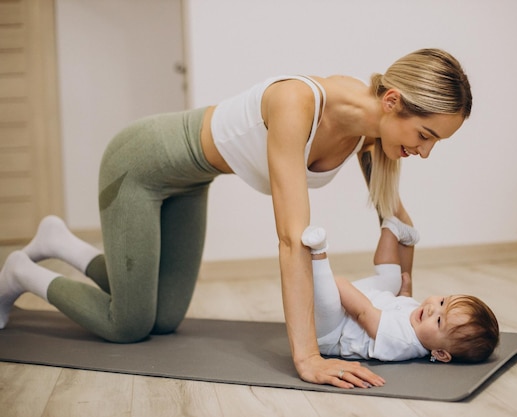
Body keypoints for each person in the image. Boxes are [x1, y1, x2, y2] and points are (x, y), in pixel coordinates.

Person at [0, 48, 472, 389]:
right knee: (128, 325)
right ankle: (21, 271)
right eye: (425, 134)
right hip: (140, 164)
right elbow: (293, 240)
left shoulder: (369, 133)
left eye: (435, 142)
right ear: (391, 101)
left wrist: (405, 283)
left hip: (191, 182)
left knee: (161, 321)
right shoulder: (299, 103)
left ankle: (58, 240)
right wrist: (307, 357)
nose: (425, 151)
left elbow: (393, 213)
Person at [302, 222, 500, 366]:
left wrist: (340, 286)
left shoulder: (403, 340)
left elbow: (364, 313)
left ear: (439, 353)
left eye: (439, 322)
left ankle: (318, 253)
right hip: (353, 305)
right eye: (442, 302)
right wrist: (403, 292)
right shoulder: (420, 319)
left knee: (328, 298)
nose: (432, 310)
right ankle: (391, 229)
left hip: (331, 332)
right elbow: (400, 308)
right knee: (392, 280)